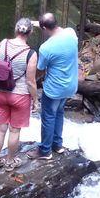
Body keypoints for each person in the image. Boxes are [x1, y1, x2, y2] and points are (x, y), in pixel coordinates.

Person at [28, 12, 78, 160]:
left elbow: (41, 69)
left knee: (48, 116)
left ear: (44, 28)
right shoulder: (71, 33)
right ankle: (57, 145)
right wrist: (40, 23)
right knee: (59, 113)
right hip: (70, 85)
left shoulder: (46, 48)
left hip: (55, 88)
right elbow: (58, 30)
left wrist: (30, 82)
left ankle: (45, 151)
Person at [0, 18, 38, 172]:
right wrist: (36, 100)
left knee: (0, 129)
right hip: (20, 95)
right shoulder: (31, 53)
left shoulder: (3, 43)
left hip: (1, 92)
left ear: (16, 30)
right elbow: (31, 81)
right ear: (30, 32)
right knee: (15, 130)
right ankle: (10, 161)